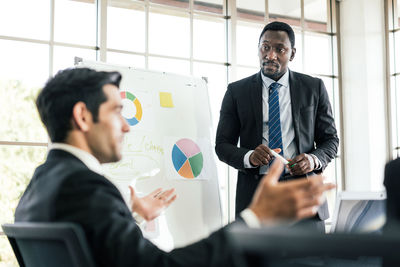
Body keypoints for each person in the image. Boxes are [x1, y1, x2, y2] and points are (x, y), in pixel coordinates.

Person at [15, 68, 334, 267]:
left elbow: (104, 251)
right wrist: (255, 219)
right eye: (116, 112)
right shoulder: (86, 188)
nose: (126, 127)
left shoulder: (41, 184)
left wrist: (132, 214)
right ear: (83, 116)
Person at [215, 21, 339, 231]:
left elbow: (331, 141)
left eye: (279, 49)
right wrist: (249, 157)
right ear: (258, 49)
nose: (270, 55)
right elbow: (222, 145)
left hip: (303, 193)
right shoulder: (237, 91)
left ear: (292, 54)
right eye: (265, 47)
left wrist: (312, 159)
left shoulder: (313, 88)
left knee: (309, 262)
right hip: (257, 196)